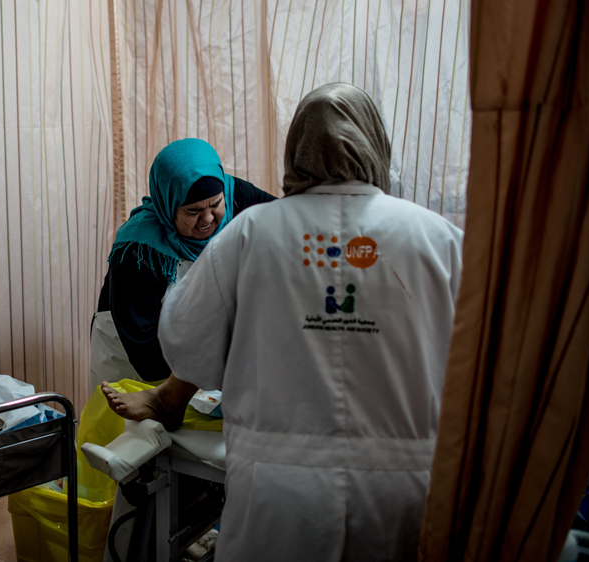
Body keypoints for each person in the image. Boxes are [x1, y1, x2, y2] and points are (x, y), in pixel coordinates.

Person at [102, 83, 464, 561]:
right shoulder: (437, 239)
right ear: (377, 143)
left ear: (296, 151)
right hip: (403, 491)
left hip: (277, 495)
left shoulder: (250, 233)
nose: (209, 216)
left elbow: (184, 343)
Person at [89, 138, 275, 398]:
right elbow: (146, 355)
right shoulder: (138, 251)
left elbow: (289, 223)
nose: (208, 219)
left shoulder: (235, 197)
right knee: (133, 434)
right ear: (168, 205)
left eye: (215, 205)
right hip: (132, 362)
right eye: (193, 211)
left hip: (198, 360)